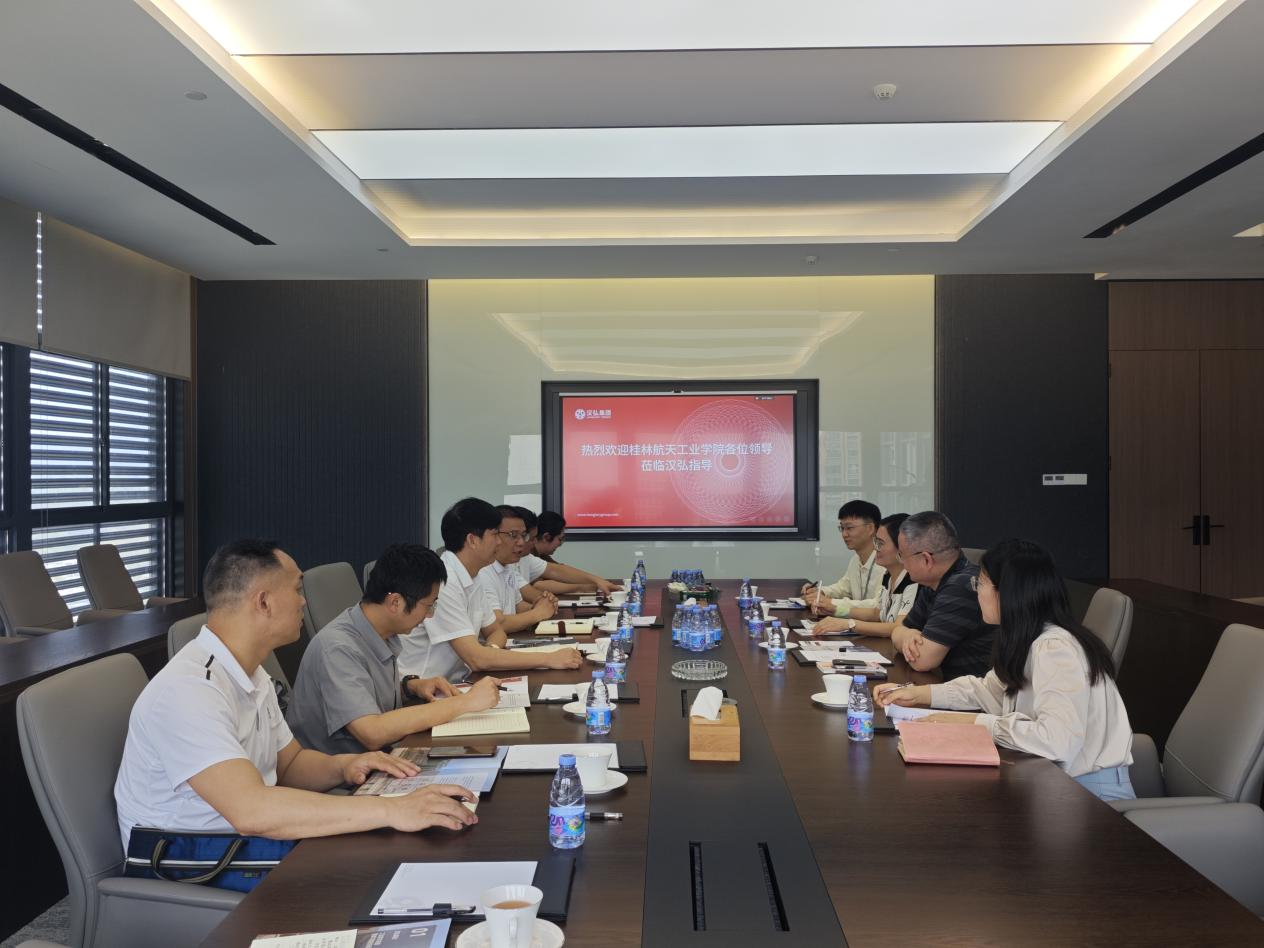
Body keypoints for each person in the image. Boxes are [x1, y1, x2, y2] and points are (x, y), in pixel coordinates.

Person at [114, 539, 478, 853]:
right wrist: (392, 809)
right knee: (382, 852)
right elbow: (252, 810)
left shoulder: (252, 673)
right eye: (296, 589)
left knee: (398, 841)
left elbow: (289, 765)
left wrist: (348, 766)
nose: (304, 602)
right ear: (263, 602)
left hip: (241, 837)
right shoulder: (189, 690)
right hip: (189, 853)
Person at [875, 539, 1135, 802]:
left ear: (1008, 592)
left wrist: (974, 724)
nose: (976, 593)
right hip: (1051, 782)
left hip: (1091, 795)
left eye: (980, 584)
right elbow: (987, 690)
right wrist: (918, 694)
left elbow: (1057, 741)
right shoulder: (1026, 639)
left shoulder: (1055, 649)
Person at [287, 544, 502, 755]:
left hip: (381, 757)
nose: (430, 616)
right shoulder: (337, 648)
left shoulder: (380, 630)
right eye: (429, 606)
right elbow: (372, 732)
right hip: (344, 774)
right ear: (395, 602)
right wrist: (464, 702)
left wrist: (410, 687)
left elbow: (365, 691)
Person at [397, 497, 583, 682]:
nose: (499, 543)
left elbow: (496, 631)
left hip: (460, 681)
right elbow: (476, 659)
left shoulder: (473, 575)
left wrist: (490, 652)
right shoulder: (445, 582)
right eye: (495, 535)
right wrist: (549, 659)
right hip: (425, 689)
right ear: (473, 540)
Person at [890, 511, 995, 678]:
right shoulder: (933, 583)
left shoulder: (961, 586)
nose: (901, 562)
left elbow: (922, 660)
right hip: (949, 685)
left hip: (976, 691)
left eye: (902, 555)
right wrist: (907, 635)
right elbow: (898, 630)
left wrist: (904, 636)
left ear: (926, 559)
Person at [811, 513, 917, 637]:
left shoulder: (913, 580)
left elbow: (899, 627)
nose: (875, 548)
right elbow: (877, 613)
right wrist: (836, 610)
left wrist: (849, 624)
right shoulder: (888, 575)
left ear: (902, 547)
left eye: (880, 543)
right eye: (876, 542)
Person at [477, 505, 558, 634]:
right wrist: (538, 613)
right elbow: (497, 624)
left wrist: (541, 606)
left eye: (524, 535)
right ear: (493, 535)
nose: (521, 543)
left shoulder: (508, 565)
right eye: (513, 535)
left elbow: (517, 606)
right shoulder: (482, 571)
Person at [803, 500, 885, 618]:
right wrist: (820, 592)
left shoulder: (886, 562)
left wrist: (830, 602)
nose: (844, 534)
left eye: (849, 528)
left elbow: (878, 605)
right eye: (842, 528)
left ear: (870, 528)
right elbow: (843, 588)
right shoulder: (856, 559)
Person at [514, 509, 621, 599]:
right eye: (531, 538)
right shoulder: (513, 561)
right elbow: (538, 586)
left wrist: (597, 581)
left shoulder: (527, 557)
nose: (534, 542)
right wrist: (582, 587)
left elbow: (558, 571)